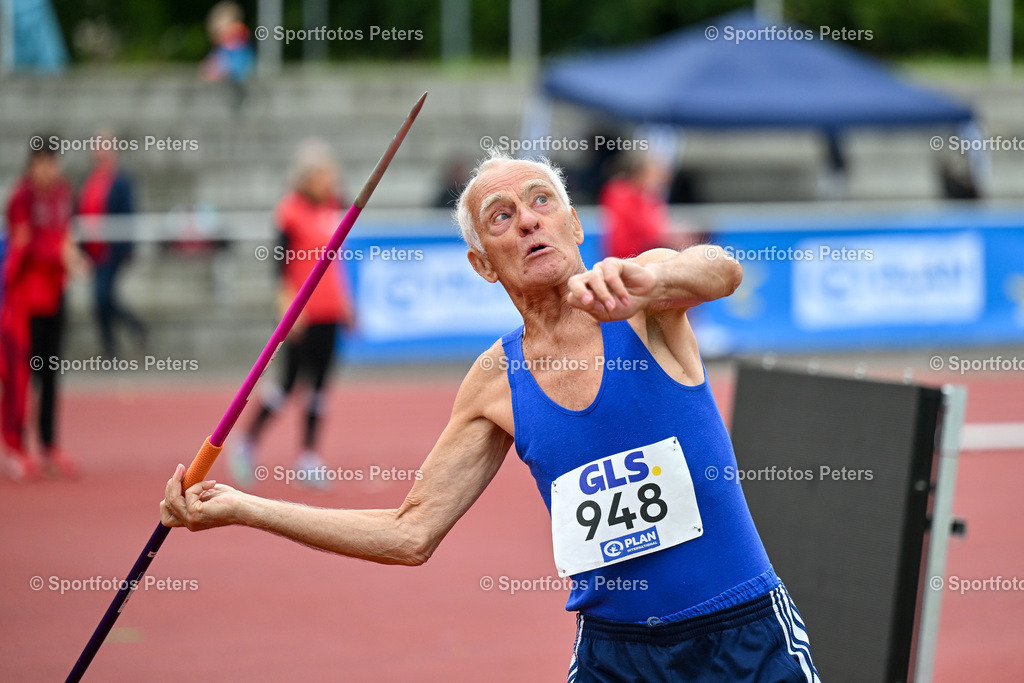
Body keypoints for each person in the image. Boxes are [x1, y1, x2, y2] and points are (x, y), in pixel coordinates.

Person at [162, 153, 819, 681]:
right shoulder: (494, 381)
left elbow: (719, 270)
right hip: (616, 658)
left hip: (741, 640)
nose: (529, 221)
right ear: (481, 263)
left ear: (574, 224)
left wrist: (655, 280)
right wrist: (243, 507)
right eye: (501, 217)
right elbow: (409, 530)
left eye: (542, 201)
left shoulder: (640, 295)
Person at [228, 139, 354, 489]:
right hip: (301, 313)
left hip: (330, 311)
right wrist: (287, 309)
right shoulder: (289, 211)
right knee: (286, 385)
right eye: (324, 174)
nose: (331, 180)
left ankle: (309, 457)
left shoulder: (332, 206)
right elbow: (279, 266)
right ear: (307, 176)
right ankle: (246, 443)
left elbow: (334, 262)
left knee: (320, 387)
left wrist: (346, 304)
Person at [1, 139, 83, 480]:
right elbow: (26, 245)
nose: (49, 169)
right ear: (32, 165)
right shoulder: (21, 198)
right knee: (20, 376)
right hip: (25, 300)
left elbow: (65, 235)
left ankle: (49, 443)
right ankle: (15, 446)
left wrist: (71, 255)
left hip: (54, 296)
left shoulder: (63, 193)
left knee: (50, 373)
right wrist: (60, 254)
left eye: (54, 162)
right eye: (43, 162)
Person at [78, 131, 147, 358]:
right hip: (93, 251)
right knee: (101, 299)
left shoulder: (121, 181)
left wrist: (127, 249)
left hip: (112, 250)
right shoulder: (89, 180)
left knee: (102, 296)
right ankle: (112, 344)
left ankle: (128, 331)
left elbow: (127, 215)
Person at [599, 152, 675, 260]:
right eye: (654, 175)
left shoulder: (648, 197)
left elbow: (660, 227)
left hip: (641, 256)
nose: (658, 181)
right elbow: (651, 230)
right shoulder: (620, 193)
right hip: (624, 257)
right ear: (640, 174)